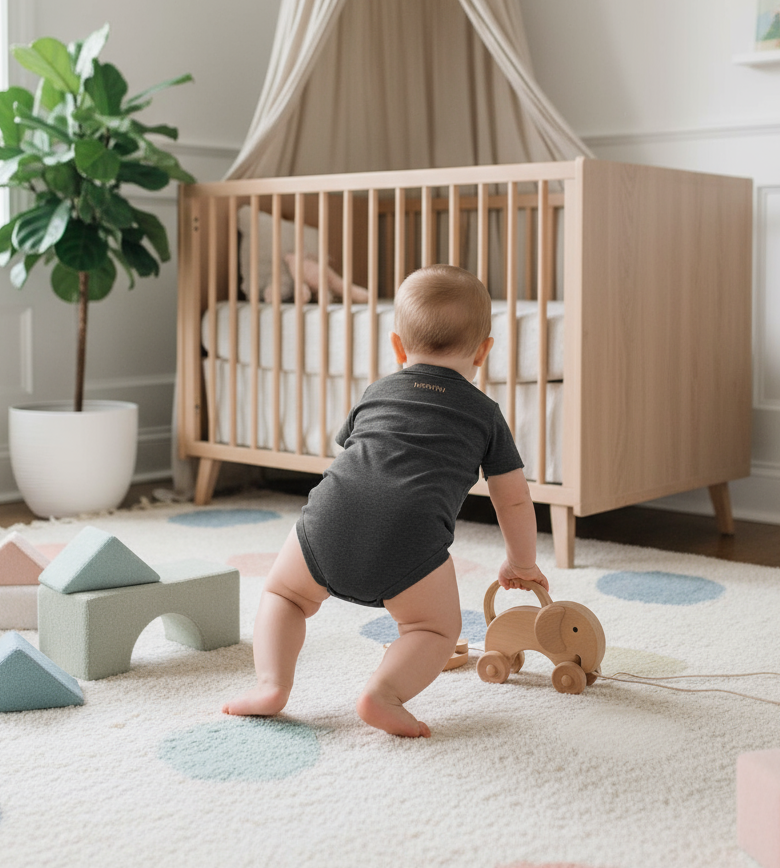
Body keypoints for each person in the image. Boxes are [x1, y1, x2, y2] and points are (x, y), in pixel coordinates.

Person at [222, 264, 548, 737]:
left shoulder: (377, 391)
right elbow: (513, 502)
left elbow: (354, 456)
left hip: (327, 519)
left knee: (283, 595)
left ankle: (271, 685)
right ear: (483, 352)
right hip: (410, 541)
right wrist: (521, 563)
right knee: (435, 631)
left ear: (397, 347)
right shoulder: (485, 415)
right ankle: (383, 695)